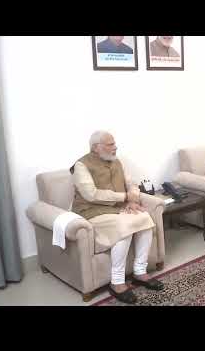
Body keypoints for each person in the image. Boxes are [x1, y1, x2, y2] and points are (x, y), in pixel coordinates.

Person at [70, 130, 163, 304]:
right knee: (124, 226)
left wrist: (133, 196)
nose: (115, 147)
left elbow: (131, 183)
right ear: (96, 148)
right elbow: (91, 194)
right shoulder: (81, 165)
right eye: (110, 144)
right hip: (91, 211)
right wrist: (124, 198)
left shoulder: (116, 161)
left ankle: (140, 272)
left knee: (145, 218)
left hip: (116, 209)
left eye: (114, 143)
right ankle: (117, 282)